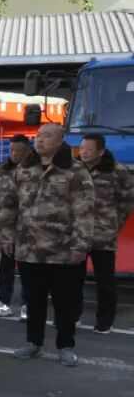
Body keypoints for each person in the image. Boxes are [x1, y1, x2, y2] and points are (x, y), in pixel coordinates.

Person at [0, 123, 94, 367]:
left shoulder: (75, 170)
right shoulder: (24, 169)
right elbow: (9, 204)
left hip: (63, 250)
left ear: (61, 141)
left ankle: (65, 346)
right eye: (39, 135)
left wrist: (80, 245)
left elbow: (84, 211)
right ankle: (34, 342)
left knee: (65, 302)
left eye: (47, 136)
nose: (40, 140)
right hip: (30, 249)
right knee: (34, 300)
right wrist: (7, 236)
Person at [76, 134, 133, 334]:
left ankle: (104, 321)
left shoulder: (117, 171)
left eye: (88, 149)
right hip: (77, 235)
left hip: (103, 236)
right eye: (82, 148)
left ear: (100, 151)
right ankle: (72, 316)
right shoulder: (74, 169)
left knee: (105, 281)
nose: (83, 153)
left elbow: (127, 201)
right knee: (73, 280)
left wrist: (114, 224)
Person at [0, 135, 34, 319]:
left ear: (28, 151)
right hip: (6, 228)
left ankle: (27, 305)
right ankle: (3, 303)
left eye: (19, 150)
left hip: (29, 230)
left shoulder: (36, 170)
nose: (15, 154)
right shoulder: (3, 170)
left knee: (28, 271)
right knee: (4, 269)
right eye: (12, 150)